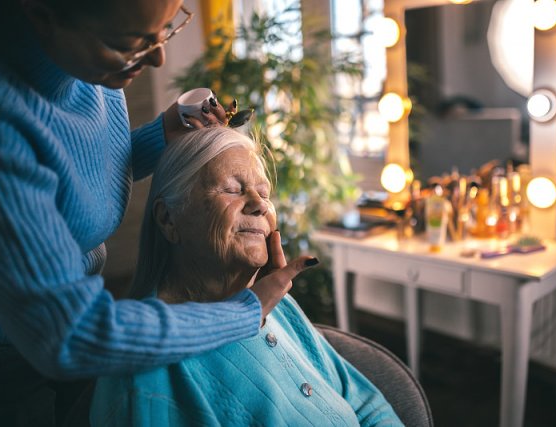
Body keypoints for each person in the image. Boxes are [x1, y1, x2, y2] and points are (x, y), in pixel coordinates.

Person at [0, 0, 312, 424]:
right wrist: (245, 312)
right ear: (43, 15)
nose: (157, 56)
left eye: (166, 29)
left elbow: (74, 164)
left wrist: (161, 136)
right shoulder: (2, 122)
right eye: (132, 43)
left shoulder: (94, 66)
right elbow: (71, 337)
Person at [90, 126, 403, 426]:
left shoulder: (276, 305)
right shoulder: (147, 374)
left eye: (264, 193)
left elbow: (368, 405)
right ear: (169, 218)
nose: (259, 205)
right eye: (231, 189)